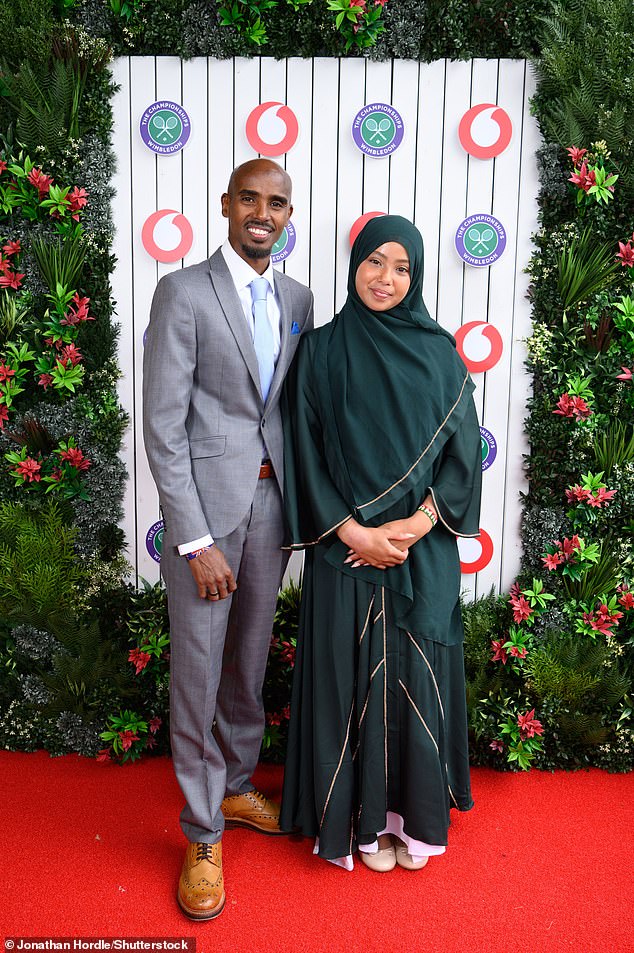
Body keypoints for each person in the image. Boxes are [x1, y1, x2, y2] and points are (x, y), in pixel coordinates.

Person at [280, 215, 481, 872]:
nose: (385, 278)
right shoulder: (321, 350)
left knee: (415, 686)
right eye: (374, 262)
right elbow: (303, 451)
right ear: (354, 265)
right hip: (345, 552)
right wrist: (355, 531)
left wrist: (418, 526)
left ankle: (411, 824)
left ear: (417, 274)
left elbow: (463, 457)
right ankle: (359, 827)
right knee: (349, 678)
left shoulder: (440, 352)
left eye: (401, 266)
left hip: (421, 551)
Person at [143, 159, 314, 919]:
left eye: (276, 202)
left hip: (273, 510)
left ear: (286, 215)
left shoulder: (298, 299)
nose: (262, 212)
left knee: (248, 659)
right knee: (199, 673)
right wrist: (192, 539)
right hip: (206, 522)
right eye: (250, 197)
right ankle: (202, 829)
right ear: (226, 204)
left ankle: (238, 785)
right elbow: (163, 427)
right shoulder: (182, 291)